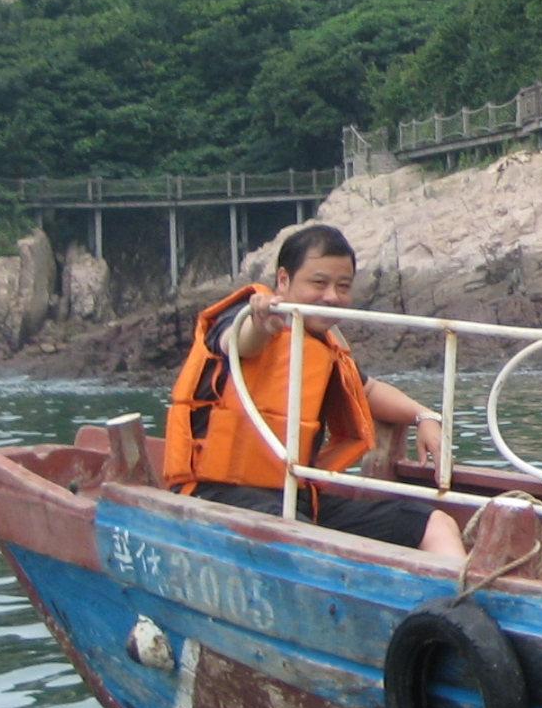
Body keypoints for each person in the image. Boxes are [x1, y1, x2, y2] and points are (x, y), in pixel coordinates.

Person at [163, 225, 467, 556]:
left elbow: (367, 391)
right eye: (319, 283)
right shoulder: (241, 318)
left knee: (434, 523)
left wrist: (424, 416)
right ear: (283, 280)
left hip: (296, 498)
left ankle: (454, 589)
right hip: (219, 497)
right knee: (306, 539)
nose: (332, 297)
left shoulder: (323, 344)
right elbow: (239, 344)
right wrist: (262, 324)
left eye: (343, 286)